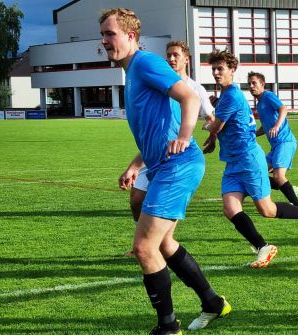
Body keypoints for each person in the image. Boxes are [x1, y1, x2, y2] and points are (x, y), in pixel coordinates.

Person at [100, 9, 230, 335]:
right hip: (162, 166)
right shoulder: (134, 73)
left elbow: (188, 96)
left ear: (130, 36)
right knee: (164, 243)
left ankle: (169, 327)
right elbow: (155, 131)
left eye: (110, 34)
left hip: (179, 165)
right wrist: (135, 165)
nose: (104, 41)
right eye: (102, 34)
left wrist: (186, 136)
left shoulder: (145, 63)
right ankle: (213, 302)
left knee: (145, 248)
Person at [202, 49, 298, 269]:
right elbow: (222, 128)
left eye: (220, 68)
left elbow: (217, 124)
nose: (216, 73)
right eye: (213, 69)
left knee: (266, 210)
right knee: (230, 209)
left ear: (232, 70)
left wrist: (208, 125)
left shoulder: (232, 96)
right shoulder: (225, 97)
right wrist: (213, 138)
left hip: (249, 159)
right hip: (233, 162)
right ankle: (263, 247)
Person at [121, 40, 215, 258]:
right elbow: (153, 130)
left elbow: (210, 116)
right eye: (168, 55)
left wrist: (209, 133)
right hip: (153, 154)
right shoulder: (156, 77)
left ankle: (148, 244)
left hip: (177, 156)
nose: (171, 59)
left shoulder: (193, 89)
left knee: (162, 242)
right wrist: (134, 165)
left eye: (176, 55)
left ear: (186, 59)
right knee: (135, 199)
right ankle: (145, 240)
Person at [248, 71, 298, 210]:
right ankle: (288, 188)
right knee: (257, 173)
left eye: (254, 83)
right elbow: (266, 127)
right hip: (275, 146)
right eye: (249, 84)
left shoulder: (268, 96)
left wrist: (277, 126)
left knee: (278, 176)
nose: (251, 86)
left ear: (262, 84)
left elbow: (283, 109)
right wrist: (253, 134)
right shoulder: (260, 104)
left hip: (285, 142)